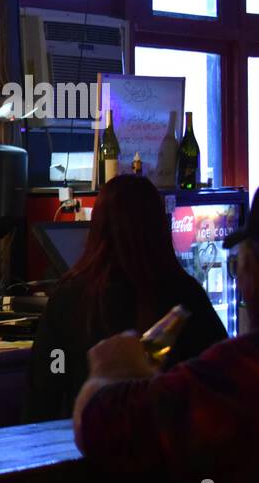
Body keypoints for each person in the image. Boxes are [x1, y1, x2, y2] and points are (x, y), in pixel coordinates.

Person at [74, 189, 259, 483]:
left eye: (241, 259)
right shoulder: (193, 301)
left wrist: (111, 371)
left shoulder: (242, 374)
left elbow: (103, 425)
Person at [25, 175, 225, 421]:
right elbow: (217, 376)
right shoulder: (186, 294)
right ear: (159, 225)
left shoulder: (69, 297)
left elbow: (48, 385)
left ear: (98, 226)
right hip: (169, 446)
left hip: (89, 443)